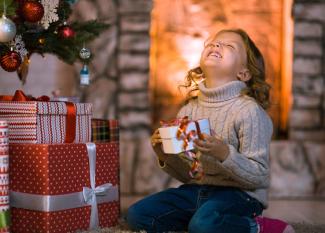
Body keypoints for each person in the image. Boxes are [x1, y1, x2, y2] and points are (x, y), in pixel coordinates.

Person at [126, 28, 295, 233]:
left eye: (228, 45)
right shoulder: (189, 109)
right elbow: (189, 175)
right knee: (136, 214)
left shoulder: (249, 111)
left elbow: (259, 177)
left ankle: (258, 227)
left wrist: (224, 154)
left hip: (241, 195)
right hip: (198, 191)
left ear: (244, 73)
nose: (216, 45)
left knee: (203, 225)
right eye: (213, 43)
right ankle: (205, 224)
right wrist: (165, 154)